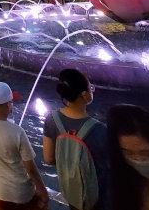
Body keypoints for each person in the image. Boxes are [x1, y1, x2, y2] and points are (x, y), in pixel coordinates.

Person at [0, 81, 49, 210]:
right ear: (8, 104)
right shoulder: (17, 131)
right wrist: (43, 192)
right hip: (21, 194)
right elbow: (30, 168)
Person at [42, 69, 108, 210]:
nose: (92, 90)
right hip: (97, 197)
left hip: (71, 190)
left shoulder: (52, 119)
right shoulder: (99, 129)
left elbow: (48, 158)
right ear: (84, 95)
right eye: (90, 88)